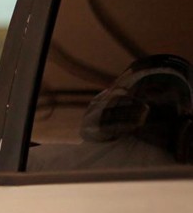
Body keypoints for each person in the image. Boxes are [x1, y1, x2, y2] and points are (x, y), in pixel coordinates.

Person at [27, 54, 193, 171]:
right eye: (154, 91)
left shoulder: (39, 165)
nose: (159, 107)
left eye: (176, 101)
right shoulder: (42, 163)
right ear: (116, 102)